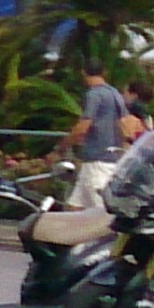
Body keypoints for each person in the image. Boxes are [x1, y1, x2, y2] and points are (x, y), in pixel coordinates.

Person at [63, 61, 129, 205]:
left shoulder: (94, 95)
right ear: (103, 72)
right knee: (76, 203)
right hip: (110, 156)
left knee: (99, 206)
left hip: (97, 157)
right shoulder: (115, 94)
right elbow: (124, 123)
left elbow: (84, 125)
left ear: (84, 73)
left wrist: (64, 144)